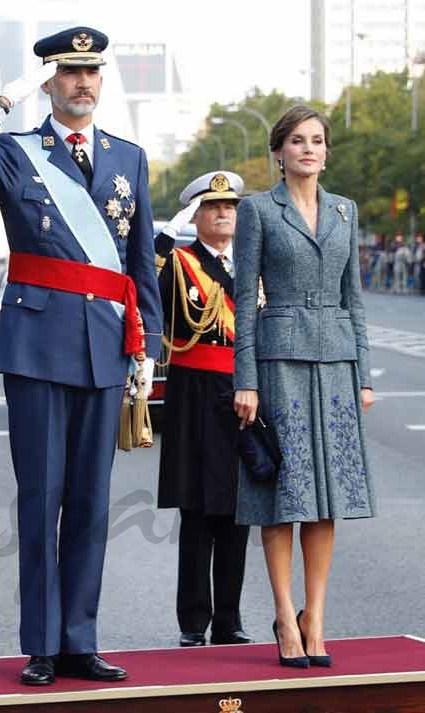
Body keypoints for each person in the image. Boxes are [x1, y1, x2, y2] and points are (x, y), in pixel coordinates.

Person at [0, 26, 161, 685]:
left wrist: (148, 343)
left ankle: (78, 640)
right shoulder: (14, 153)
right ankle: (40, 642)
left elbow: (139, 257)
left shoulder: (129, 157)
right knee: (41, 498)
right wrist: (2, 101)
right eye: (67, 73)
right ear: (48, 82)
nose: (82, 83)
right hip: (37, 347)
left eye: (91, 72)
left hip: (103, 347)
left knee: (91, 502)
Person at [233, 105, 376, 669]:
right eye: (297, 140)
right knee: (283, 492)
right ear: (279, 151)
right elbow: (245, 299)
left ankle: (314, 617)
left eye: (317, 141)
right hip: (280, 361)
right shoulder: (258, 211)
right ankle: (283, 613)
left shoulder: (346, 210)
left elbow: (355, 297)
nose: (309, 149)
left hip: (336, 363)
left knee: (327, 495)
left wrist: (363, 373)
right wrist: (246, 379)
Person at [155, 171, 253, 648]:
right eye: (213, 207)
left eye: (230, 207)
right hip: (194, 393)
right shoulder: (178, 261)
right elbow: (144, 285)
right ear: (195, 214)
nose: (223, 214)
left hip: (243, 391)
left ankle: (230, 620)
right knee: (196, 509)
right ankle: (193, 621)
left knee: (238, 511)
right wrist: (165, 234)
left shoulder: (251, 263)